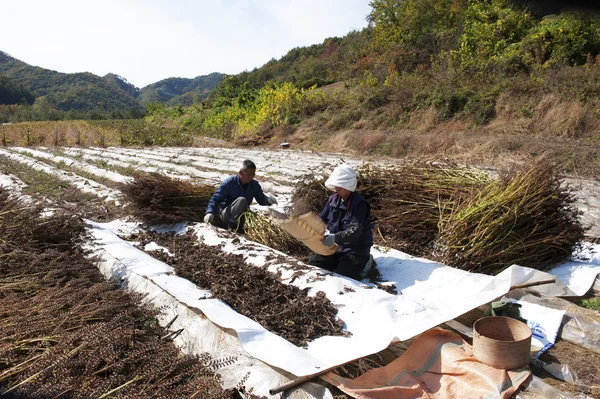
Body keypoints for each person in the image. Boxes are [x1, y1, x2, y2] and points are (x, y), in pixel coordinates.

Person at [308, 163, 374, 280]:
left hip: (355, 249)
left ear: (348, 186)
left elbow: (355, 231)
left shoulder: (359, 204)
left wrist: (335, 237)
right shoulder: (333, 199)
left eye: (340, 186)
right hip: (336, 247)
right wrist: (310, 226)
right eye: (336, 185)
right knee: (313, 266)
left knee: (342, 278)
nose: (337, 188)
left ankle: (366, 261)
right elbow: (322, 219)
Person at [204, 159, 277, 230]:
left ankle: (240, 226)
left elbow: (261, 199)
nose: (251, 177)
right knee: (242, 200)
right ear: (241, 173)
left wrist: (268, 200)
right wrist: (210, 212)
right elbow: (216, 198)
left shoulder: (254, 185)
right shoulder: (229, 183)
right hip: (226, 216)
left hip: (242, 215)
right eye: (249, 174)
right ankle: (232, 227)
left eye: (253, 175)